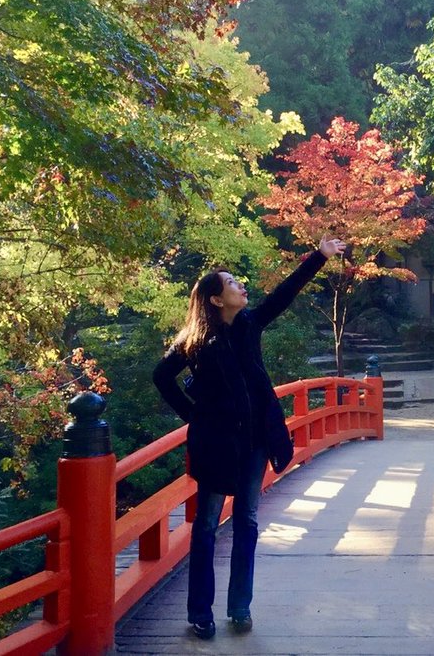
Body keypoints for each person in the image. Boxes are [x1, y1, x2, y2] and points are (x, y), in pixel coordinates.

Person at [153, 236, 345, 640]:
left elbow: (284, 295)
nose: (241, 285)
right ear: (215, 300)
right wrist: (194, 415)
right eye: (231, 283)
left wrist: (320, 256)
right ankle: (200, 612)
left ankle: (240, 608)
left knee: (247, 520)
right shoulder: (193, 342)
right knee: (207, 525)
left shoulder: (250, 325)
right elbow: (161, 377)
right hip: (216, 444)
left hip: (255, 441)